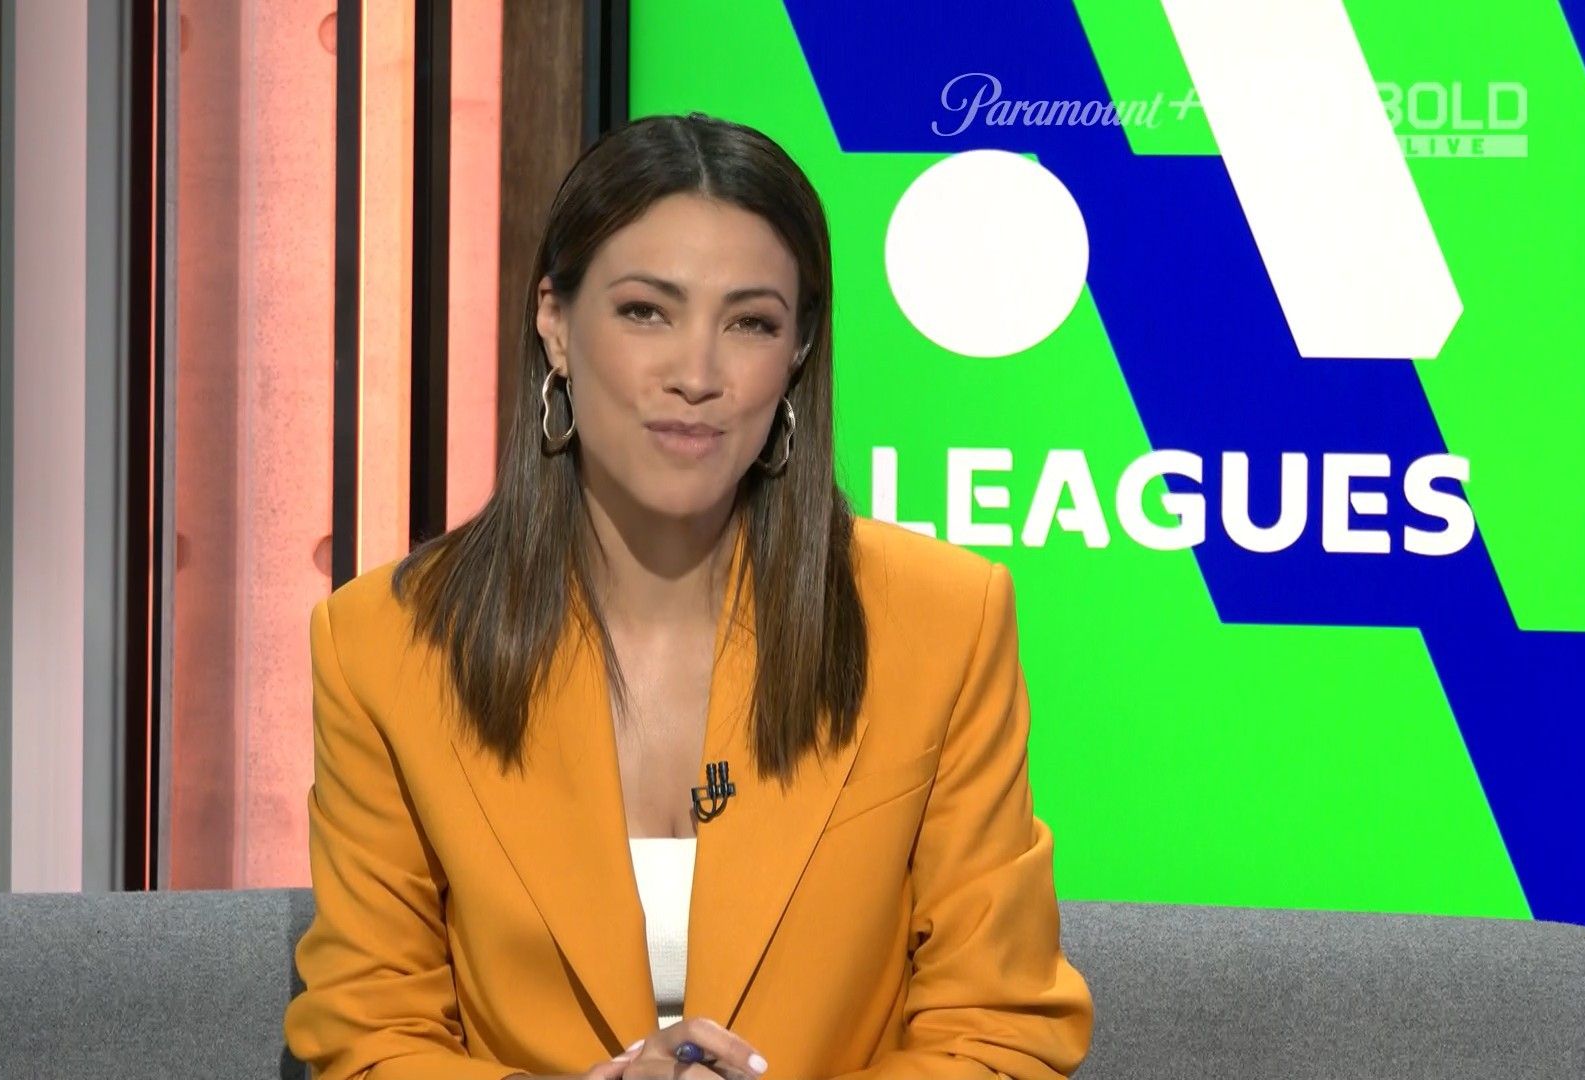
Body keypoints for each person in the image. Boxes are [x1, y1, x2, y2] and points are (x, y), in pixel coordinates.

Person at [284, 111, 1093, 1079]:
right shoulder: (383, 645)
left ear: (797, 354)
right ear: (555, 323)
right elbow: (369, 1039)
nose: (698, 375)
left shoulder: (942, 621)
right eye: (646, 312)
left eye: (751, 323)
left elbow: (1001, 1029)